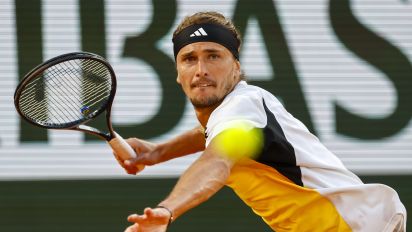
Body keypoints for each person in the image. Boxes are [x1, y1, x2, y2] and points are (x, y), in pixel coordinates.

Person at [117, 11, 407, 232]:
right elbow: (207, 133)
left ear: (236, 68)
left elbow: (216, 161)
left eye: (214, 56)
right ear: (178, 73)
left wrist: (168, 211)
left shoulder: (243, 106)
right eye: (189, 59)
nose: (201, 69)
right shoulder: (235, 114)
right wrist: (156, 153)